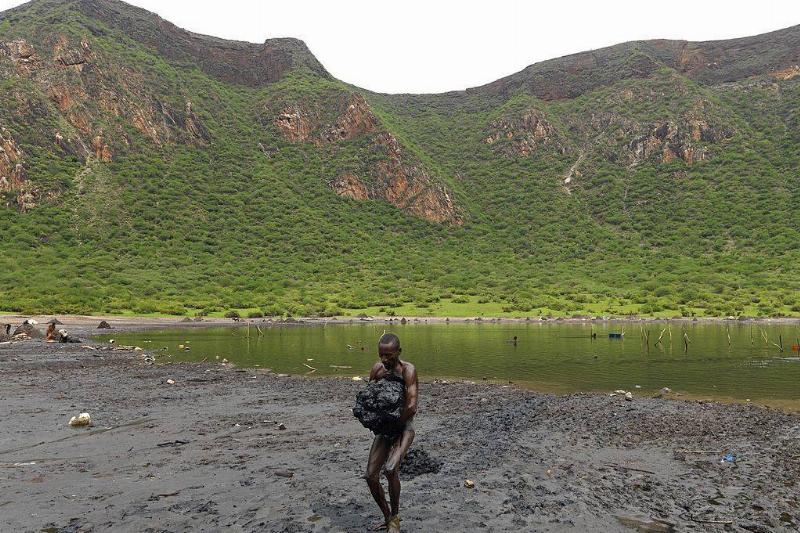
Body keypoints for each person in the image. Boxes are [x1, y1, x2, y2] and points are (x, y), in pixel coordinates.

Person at [365, 333, 418, 533]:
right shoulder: (377, 370)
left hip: (404, 427)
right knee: (371, 476)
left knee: (390, 469)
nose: (384, 359)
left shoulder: (408, 370)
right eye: (381, 355)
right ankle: (387, 517)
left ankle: (395, 518)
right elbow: (370, 398)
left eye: (389, 355)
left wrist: (396, 431)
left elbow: (412, 406)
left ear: (399, 352)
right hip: (385, 428)